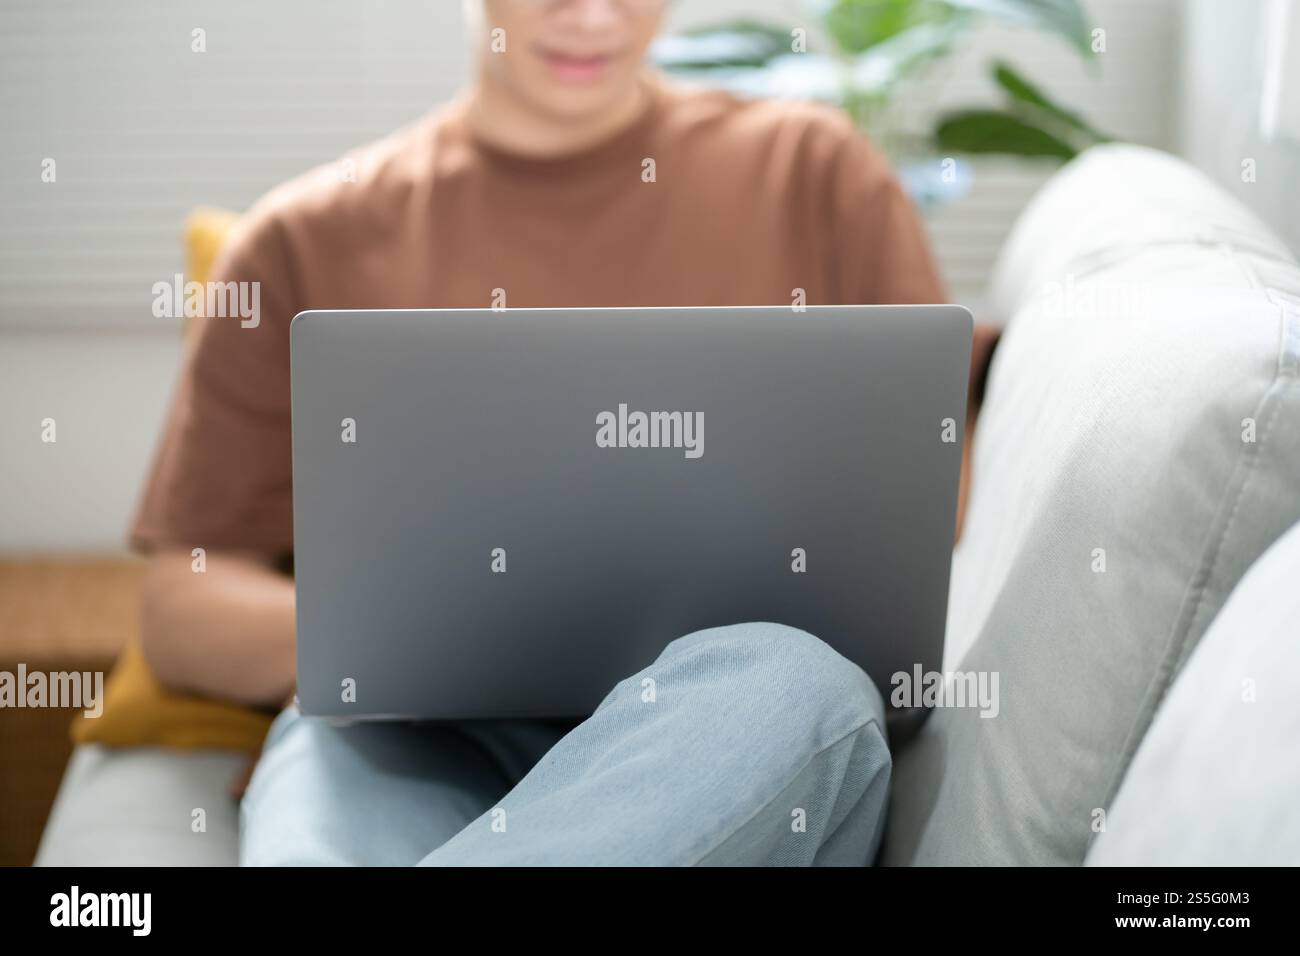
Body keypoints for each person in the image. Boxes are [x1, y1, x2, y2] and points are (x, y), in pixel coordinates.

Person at [134, 0, 996, 865]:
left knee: (803, 690)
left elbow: (924, 509)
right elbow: (182, 598)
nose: (591, 15)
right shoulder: (303, 238)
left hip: (721, 733)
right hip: (404, 739)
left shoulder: (817, 174)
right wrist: (419, 640)